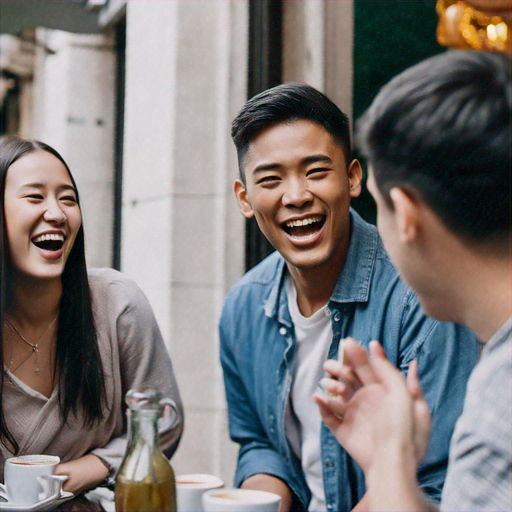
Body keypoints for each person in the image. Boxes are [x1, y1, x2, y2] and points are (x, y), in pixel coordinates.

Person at [219, 83, 479, 511]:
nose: (297, 195)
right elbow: (258, 443)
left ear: (353, 178)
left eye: (316, 171)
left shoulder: (423, 299)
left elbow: (438, 480)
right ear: (245, 199)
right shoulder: (243, 307)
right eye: (270, 180)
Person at [315, 50, 511, 511]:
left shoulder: (499, 399)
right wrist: (390, 463)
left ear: (405, 214)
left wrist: (386, 465)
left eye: (376, 207)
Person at [0, 136, 184, 499]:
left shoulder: (118, 304)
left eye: (67, 199)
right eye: (34, 197)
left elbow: (164, 419)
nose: (56, 213)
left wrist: (99, 465)